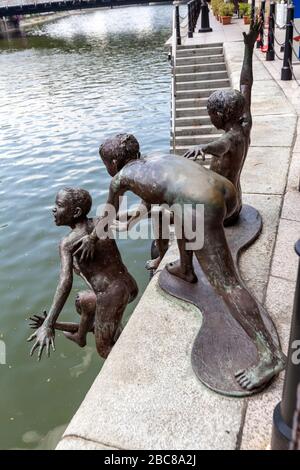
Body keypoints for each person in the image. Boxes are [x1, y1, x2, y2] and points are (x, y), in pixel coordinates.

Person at [74, 133, 285, 391]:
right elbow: (161, 191)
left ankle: (270, 356)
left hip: (201, 205)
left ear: (114, 161)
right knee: (179, 209)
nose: (107, 168)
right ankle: (186, 269)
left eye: (105, 163)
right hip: (224, 191)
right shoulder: (156, 159)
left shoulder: (121, 178)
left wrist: (92, 238)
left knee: (226, 284)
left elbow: (108, 216)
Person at [27, 187, 138, 360]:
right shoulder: (100, 223)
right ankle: (84, 334)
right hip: (130, 286)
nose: (53, 209)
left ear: (76, 212)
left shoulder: (67, 243)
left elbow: (65, 283)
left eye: (59, 205)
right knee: (85, 301)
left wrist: (48, 324)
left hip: (112, 296)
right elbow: (119, 212)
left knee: (104, 350)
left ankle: (135, 369)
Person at [184, 20, 260, 226]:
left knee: (177, 213)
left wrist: (204, 146)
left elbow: (222, 145)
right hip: (236, 201)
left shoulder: (231, 138)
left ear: (219, 114)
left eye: (210, 113)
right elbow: (245, 84)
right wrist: (248, 48)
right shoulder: (245, 126)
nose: (210, 117)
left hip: (225, 212)